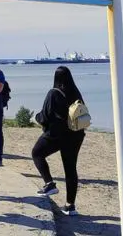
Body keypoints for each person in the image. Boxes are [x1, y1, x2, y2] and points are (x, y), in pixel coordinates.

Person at [33, 66, 87, 216]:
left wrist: (36, 118)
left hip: (57, 135)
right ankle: (70, 206)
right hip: (76, 135)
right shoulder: (76, 92)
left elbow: (44, 116)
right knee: (70, 169)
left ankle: (49, 184)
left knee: (37, 153)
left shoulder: (54, 93)